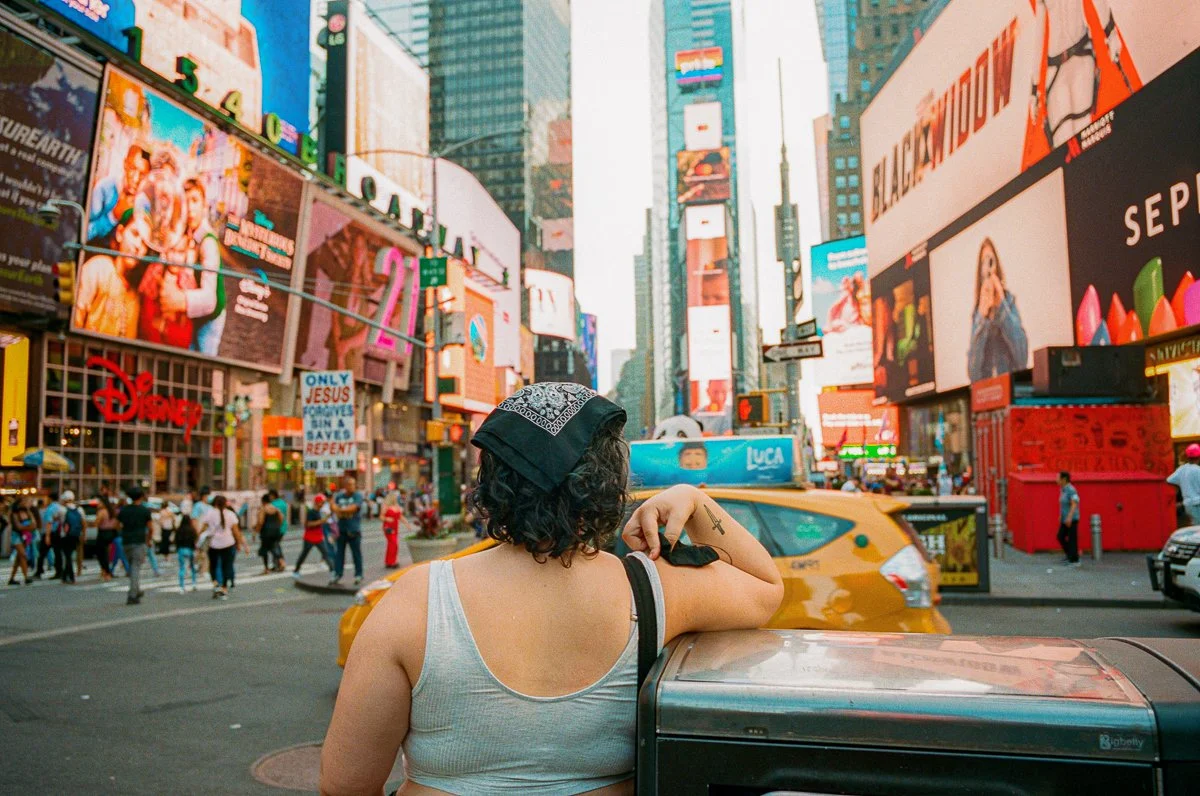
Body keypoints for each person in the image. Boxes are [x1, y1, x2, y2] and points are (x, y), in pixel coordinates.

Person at [320, 383, 784, 795]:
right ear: (606, 485)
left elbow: (346, 783)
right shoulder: (652, 588)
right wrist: (696, 500)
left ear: (492, 484)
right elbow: (765, 586)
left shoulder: (419, 599)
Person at [73, 209, 151, 339]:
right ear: (120, 233)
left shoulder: (134, 297)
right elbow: (75, 319)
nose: (138, 246)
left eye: (144, 243)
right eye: (135, 234)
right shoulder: (99, 268)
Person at [967, 239, 1029, 382]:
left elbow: (1022, 358)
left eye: (990, 260)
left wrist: (1001, 305)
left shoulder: (1009, 302)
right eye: (984, 262)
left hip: (1010, 391)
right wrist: (982, 317)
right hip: (986, 397)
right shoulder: (977, 313)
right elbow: (973, 373)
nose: (988, 268)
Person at [87, 144, 150, 242]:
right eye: (133, 169)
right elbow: (83, 232)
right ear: (125, 164)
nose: (136, 178)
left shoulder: (144, 204)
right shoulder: (105, 188)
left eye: (142, 174)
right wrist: (113, 216)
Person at [117, 487, 154, 605]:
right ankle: (132, 595)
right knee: (135, 567)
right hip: (139, 541)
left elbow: (117, 525)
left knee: (132, 566)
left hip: (126, 542)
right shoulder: (144, 511)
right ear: (141, 497)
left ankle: (136, 590)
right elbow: (150, 527)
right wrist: (148, 540)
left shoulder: (124, 510)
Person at [207, 495, 247, 599]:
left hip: (214, 544)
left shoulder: (210, 513)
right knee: (226, 566)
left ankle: (216, 584)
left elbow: (204, 527)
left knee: (213, 565)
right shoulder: (230, 514)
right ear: (225, 503)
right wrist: (241, 544)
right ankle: (224, 587)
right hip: (228, 543)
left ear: (215, 503)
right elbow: (236, 531)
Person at [330, 475, 365, 587]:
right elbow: (333, 507)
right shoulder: (339, 496)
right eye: (349, 484)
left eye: (353, 484)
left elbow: (354, 508)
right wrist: (345, 512)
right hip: (341, 530)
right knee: (339, 554)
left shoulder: (358, 495)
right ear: (345, 486)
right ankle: (337, 574)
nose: (352, 486)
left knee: (356, 554)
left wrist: (341, 511)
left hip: (354, 530)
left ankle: (358, 574)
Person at [293, 498, 333, 578]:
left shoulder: (319, 511)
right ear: (317, 503)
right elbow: (308, 524)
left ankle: (333, 571)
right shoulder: (311, 512)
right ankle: (296, 570)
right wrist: (322, 521)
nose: (322, 504)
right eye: (321, 503)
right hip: (309, 537)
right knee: (304, 554)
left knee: (326, 554)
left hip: (318, 537)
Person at [1168, 444, 1200, 526]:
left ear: (1187, 457)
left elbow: (1169, 480)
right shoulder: (1198, 470)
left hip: (1188, 505)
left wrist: (1182, 483)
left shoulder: (1182, 469)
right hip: (1198, 503)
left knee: (1194, 527)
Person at [36, 491, 64, 580]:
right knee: (58, 552)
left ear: (50, 498)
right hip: (59, 533)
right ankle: (59, 571)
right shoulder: (61, 508)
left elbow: (49, 522)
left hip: (50, 532)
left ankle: (39, 571)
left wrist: (47, 536)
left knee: (42, 552)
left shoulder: (50, 508)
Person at [256, 493, 285, 575]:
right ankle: (281, 561)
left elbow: (260, 522)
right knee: (274, 547)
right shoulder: (275, 508)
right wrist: (277, 525)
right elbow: (281, 518)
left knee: (264, 550)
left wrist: (256, 531)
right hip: (276, 531)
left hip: (266, 532)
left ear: (263, 501)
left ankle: (266, 568)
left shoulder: (263, 509)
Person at [1056, 471, 1081, 566]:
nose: (1056, 480)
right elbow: (1063, 505)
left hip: (1071, 519)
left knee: (1072, 539)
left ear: (1064, 479)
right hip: (1064, 519)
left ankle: (1075, 560)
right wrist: (1061, 516)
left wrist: (1069, 517)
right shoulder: (1063, 490)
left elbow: (1074, 503)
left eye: (1058, 478)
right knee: (1060, 536)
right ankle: (1070, 555)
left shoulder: (1071, 489)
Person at [59, 491, 83, 585]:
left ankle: (71, 576)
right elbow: (83, 523)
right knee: (70, 554)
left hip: (65, 535)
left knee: (67, 556)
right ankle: (65, 576)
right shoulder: (79, 509)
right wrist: (82, 534)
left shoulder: (62, 510)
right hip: (76, 534)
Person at [7, 497, 32, 586]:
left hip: (24, 536)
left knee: (19, 559)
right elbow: (18, 526)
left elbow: (34, 523)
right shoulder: (14, 513)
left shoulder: (26, 512)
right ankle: (26, 577)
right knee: (23, 555)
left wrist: (28, 510)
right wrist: (28, 527)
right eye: (25, 501)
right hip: (17, 535)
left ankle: (11, 578)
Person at [93, 493, 117, 582]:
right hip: (111, 533)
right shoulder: (111, 511)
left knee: (101, 553)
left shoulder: (102, 511)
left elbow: (97, 522)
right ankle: (105, 571)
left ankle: (106, 571)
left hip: (103, 533)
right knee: (106, 552)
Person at [174, 514, 198, 594]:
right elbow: (195, 540)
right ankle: (194, 584)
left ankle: (182, 586)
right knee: (192, 567)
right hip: (190, 549)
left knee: (182, 568)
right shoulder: (192, 530)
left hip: (181, 549)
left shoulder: (179, 529)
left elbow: (176, 540)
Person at [381, 491, 403, 569]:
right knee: (393, 544)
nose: (396, 498)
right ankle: (391, 562)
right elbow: (381, 516)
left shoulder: (396, 506)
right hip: (388, 527)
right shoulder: (386, 506)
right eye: (395, 496)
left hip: (395, 527)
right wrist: (387, 518)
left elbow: (400, 516)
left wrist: (407, 524)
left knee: (394, 545)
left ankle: (390, 561)